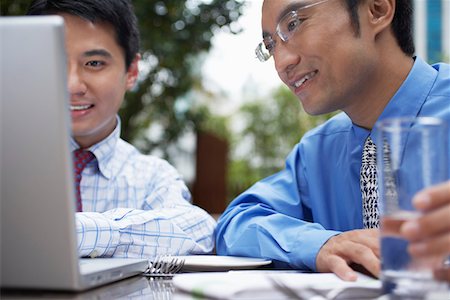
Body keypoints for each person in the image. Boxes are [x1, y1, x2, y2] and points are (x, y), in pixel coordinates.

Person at [215, 0, 450, 282]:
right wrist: (319, 245)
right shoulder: (318, 151)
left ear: (376, 9)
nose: (281, 63)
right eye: (270, 45)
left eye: (294, 24)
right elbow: (235, 223)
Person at [27, 0, 216, 259]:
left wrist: (77, 233)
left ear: (131, 71)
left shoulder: (152, 178)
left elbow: (198, 231)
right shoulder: (10, 162)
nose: (72, 85)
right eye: (55, 62)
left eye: (93, 63)